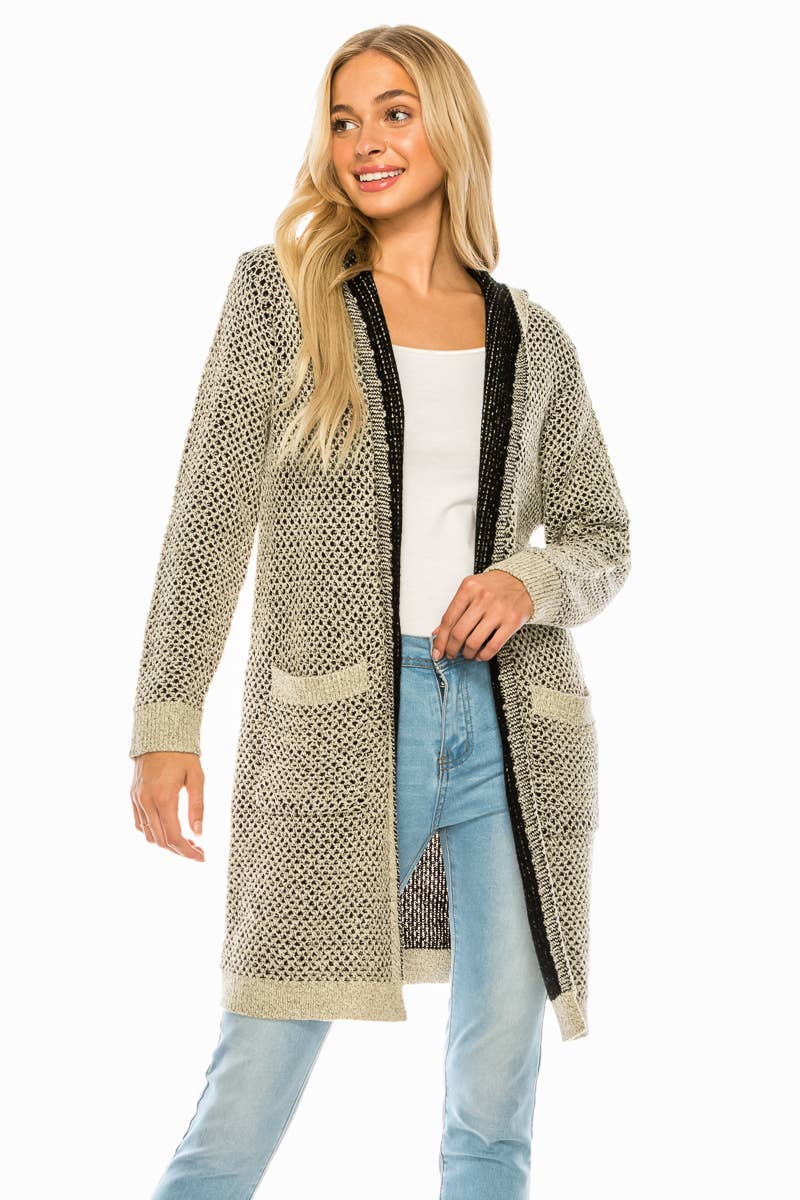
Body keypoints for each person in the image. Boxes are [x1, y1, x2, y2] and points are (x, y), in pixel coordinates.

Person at [128, 23, 632, 1200]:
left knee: (493, 1110)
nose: (365, 140)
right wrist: (165, 720)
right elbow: (207, 515)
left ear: (448, 127)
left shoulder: (531, 337)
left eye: (394, 112)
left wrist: (523, 581)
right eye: (344, 119)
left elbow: (602, 533)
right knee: (251, 1078)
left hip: (512, 732)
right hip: (337, 723)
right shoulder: (281, 298)